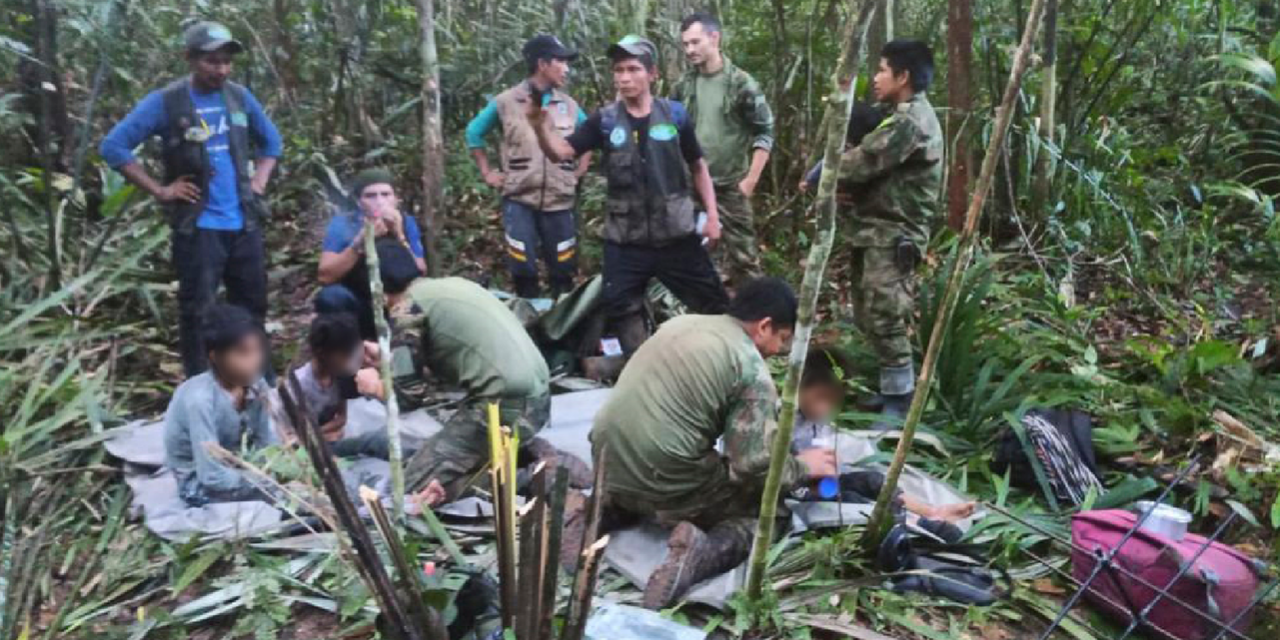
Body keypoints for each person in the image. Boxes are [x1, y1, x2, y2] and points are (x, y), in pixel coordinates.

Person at [579, 278, 838, 609]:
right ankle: (700, 554)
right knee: (768, 515)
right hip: (665, 477)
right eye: (782, 340)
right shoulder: (749, 368)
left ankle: (599, 510)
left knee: (654, 466)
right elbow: (751, 466)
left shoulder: (681, 324)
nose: (777, 352)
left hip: (605, 459)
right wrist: (803, 467)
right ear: (765, 326)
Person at [100, 21, 282, 378]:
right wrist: (160, 189)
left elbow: (272, 143)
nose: (222, 69)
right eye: (212, 61)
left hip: (243, 222)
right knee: (198, 311)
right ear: (189, 58)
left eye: (227, 61)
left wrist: (258, 181)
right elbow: (114, 147)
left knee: (252, 306)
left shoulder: (239, 98)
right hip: (199, 228)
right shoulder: (166, 103)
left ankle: (262, 384)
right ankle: (203, 387)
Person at [527, 35, 729, 354]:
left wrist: (713, 216)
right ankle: (644, 365)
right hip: (625, 239)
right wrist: (539, 125)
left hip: (676, 234)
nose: (624, 77)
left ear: (653, 74)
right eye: (618, 70)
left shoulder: (675, 115)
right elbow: (561, 152)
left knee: (713, 304)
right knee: (620, 304)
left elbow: (698, 166)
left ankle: (721, 364)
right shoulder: (604, 121)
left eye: (633, 69)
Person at [353, 257, 588, 507]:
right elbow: (454, 364)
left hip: (505, 407)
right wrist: (391, 361)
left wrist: (376, 386)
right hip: (536, 398)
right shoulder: (450, 286)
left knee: (413, 486)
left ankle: (531, 479)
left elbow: (408, 397)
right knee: (446, 453)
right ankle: (528, 453)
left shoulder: (406, 309)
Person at [836, 40, 943, 429]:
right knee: (868, 311)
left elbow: (863, 162)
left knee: (887, 314)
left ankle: (900, 402)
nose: (876, 78)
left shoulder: (910, 122)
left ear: (904, 76)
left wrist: (823, 173)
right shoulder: (895, 115)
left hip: (895, 233)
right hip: (875, 229)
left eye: (882, 70)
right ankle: (890, 388)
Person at [466, 35, 592, 298]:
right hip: (519, 198)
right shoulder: (506, 102)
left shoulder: (569, 105)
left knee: (563, 267)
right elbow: (474, 133)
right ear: (542, 64)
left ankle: (562, 324)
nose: (566, 69)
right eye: (561, 62)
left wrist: (580, 170)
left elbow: (589, 136)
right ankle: (527, 321)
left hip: (559, 200)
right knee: (523, 266)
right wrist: (488, 173)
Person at [792, 346, 976, 524]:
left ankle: (930, 512)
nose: (825, 408)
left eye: (833, 401)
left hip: (819, 484)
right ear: (798, 386)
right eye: (820, 397)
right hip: (795, 488)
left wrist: (829, 475)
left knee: (873, 481)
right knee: (850, 499)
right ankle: (914, 523)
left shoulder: (818, 422)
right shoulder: (783, 420)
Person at [673, 13, 775, 289]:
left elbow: (764, 131)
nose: (690, 50)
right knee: (694, 257)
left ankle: (755, 321)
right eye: (685, 44)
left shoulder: (742, 84)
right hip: (692, 188)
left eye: (695, 42)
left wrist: (750, 181)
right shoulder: (683, 86)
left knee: (744, 260)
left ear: (714, 37)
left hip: (731, 186)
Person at [164, 304, 277, 506]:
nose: (254, 360)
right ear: (215, 356)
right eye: (243, 353)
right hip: (199, 482)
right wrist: (263, 481)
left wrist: (276, 468)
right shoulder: (200, 400)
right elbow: (211, 476)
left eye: (257, 350)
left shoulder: (257, 384)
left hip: (242, 467)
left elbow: (267, 442)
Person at [316, 168, 427, 339]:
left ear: (396, 199)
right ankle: (348, 349)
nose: (379, 201)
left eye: (385, 194)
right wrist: (359, 243)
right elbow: (325, 276)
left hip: (399, 302)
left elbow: (421, 270)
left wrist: (399, 235)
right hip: (360, 300)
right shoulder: (344, 224)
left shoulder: (406, 222)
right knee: (331, 297)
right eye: (370, 196)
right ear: (360, 202)